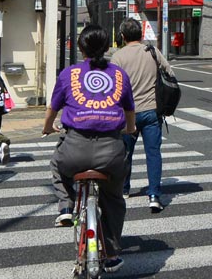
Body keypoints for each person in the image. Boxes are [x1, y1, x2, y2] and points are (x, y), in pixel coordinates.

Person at [43, 24, 135, 275]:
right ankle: (113, 253)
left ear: (81, 48)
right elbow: (129, 111)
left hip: (75, 147)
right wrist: (129, 129)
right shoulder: (118, 75)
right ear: (107, 47)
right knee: (114, 199)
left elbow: (53, 107)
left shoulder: (69, 73)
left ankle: (65, 207)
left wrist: (47, 127)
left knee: (56, 165)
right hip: (111, 150)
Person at [111, 17, 173, 213]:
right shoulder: (152, 52)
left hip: (127, 113)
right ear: (140, 34)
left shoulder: (118, 57)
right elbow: (169, 72)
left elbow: (113, 87)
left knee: (125, 154)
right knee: (153, 154)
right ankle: (154, 195)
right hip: (151, 111)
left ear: (122, 36)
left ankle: (124, 189)